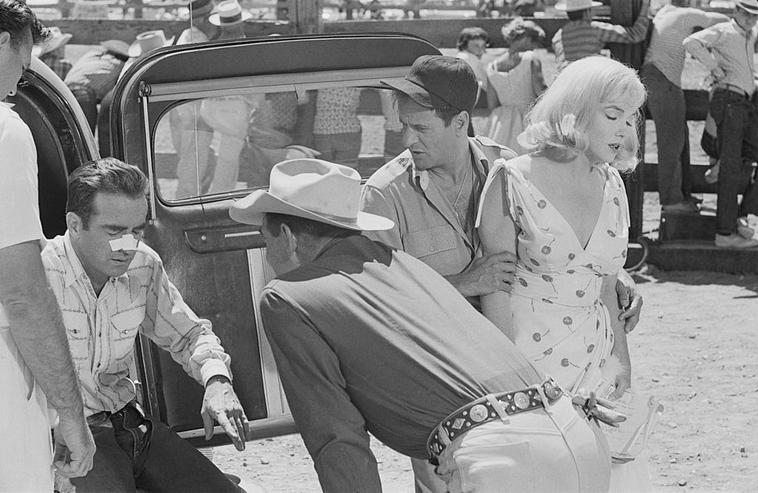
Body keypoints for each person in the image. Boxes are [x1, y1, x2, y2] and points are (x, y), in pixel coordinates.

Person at [229, 157, 617, 493]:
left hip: (504, 457)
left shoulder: (287, 297)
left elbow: (337, 437)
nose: (267, 252)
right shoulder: (401, 264)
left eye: (265, 237)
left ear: (286, 236)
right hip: (575, 432)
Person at [361, 53, 644, 493]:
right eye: (404, 126)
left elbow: (562, 249)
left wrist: (614, 278)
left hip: (537, 366)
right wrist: (463, 283)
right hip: (442, 377)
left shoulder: (506, 166)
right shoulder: (383, 195)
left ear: (459, 123)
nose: (407, 139)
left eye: (420, 128)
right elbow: (380, 305)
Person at [477, 55, 652, 491]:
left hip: (596, 362)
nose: (625, 131)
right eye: (613, 115)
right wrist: (512, 381)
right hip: (528, 362)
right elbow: (493, 289)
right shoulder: (512, 180)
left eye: (631, 119)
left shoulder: (613, 184)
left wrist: (620, 362)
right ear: (573, 110)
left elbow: (608, 285)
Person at [41, 158, 249, 492]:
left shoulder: (143, 264)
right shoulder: (38, 277)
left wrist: (217, 380)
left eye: (136, 231)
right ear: (75, 224)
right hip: (67, 436)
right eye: (115, 231)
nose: (128, 245)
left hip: (131, 426)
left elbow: (189, 334)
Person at [0, 2, 95, 490]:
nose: (23, 77)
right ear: (2, 42)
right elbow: (22, 293)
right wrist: (72, 416)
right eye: (24, 59)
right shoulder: (6, 131)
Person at [683, 0, 758, 248]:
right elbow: (691, 42)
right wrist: (715, 68)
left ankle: (739, 215)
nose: (749, 19)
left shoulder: (748, 35)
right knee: (731, 169)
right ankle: (726, 232)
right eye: (745, 14)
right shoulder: (725, 31)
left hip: (739, 103)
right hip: (731, 101)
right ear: (736, 12)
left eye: (753, 16)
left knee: (733, 163)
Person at [642, 0, 728, 215]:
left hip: (657, 75)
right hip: (664, 78)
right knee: (671, 142)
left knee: (677, 137)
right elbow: (721, 21)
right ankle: (672, 201)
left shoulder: (665, 11)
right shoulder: (686, 14)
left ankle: (681, 194)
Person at [171, 0, 217, 198]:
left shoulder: (188, 37)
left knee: (194, 168)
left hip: (184, 114)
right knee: (192, 174)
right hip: (193, 116)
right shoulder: (197, 42)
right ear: (205, 19)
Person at [486, 17, 547, 154]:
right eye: (534, 43)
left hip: (501, 124)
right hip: (529, 120)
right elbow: (541, 92)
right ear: (526, 39)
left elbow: (493, 106)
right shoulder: (530, 58)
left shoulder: (491, 67)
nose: (534, 48)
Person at [552, 0, 650, 71]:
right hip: (585, 81)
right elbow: (636, 34)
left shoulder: (558, 36)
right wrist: (644, 7)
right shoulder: (595, 29)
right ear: (586, 12)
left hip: (562, 82)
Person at [65, 39, 129, 131]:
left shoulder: (91, 55)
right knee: (86, 135)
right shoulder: (119, 65)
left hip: (64, 90)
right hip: (84, 94)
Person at [455, 27, 490, 97]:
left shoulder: (459, 57)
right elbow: (486, 84)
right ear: (464, 45)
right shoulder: (470, 58)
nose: (481, 50)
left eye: (483, 46)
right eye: (476, 46)